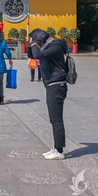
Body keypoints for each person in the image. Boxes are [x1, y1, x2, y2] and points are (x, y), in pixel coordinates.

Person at [28, 28, 69, 160]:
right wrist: (30, 44)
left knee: (56, 119)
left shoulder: (55, 47)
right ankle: (56, 147)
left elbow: (39, 56)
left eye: (35, 41)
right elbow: (32, 56)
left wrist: (33, 44)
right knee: (53, 118)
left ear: (39, 39)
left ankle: (59, 151)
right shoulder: (47, 47)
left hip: (57, 86)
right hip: (52, 85)